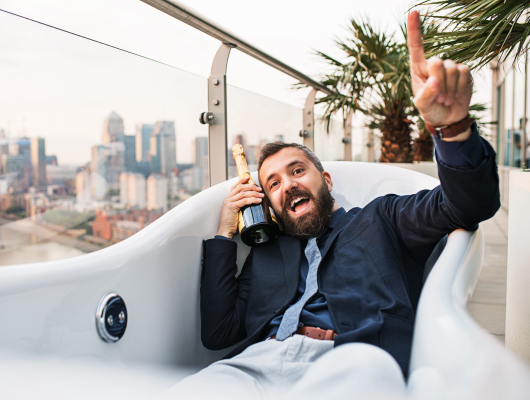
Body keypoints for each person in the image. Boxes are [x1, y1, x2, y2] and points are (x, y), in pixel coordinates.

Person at [162, 10, 500, 400]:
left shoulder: (382, 219)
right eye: (273, 183)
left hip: (355, 362)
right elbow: (218, 333)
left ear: (325, 181)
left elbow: (468, 205)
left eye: (297, 171)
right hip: (256, 365)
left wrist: (453, 130)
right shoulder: (266, 255)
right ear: (270, 205)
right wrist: (224, 231)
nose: (287, 185)